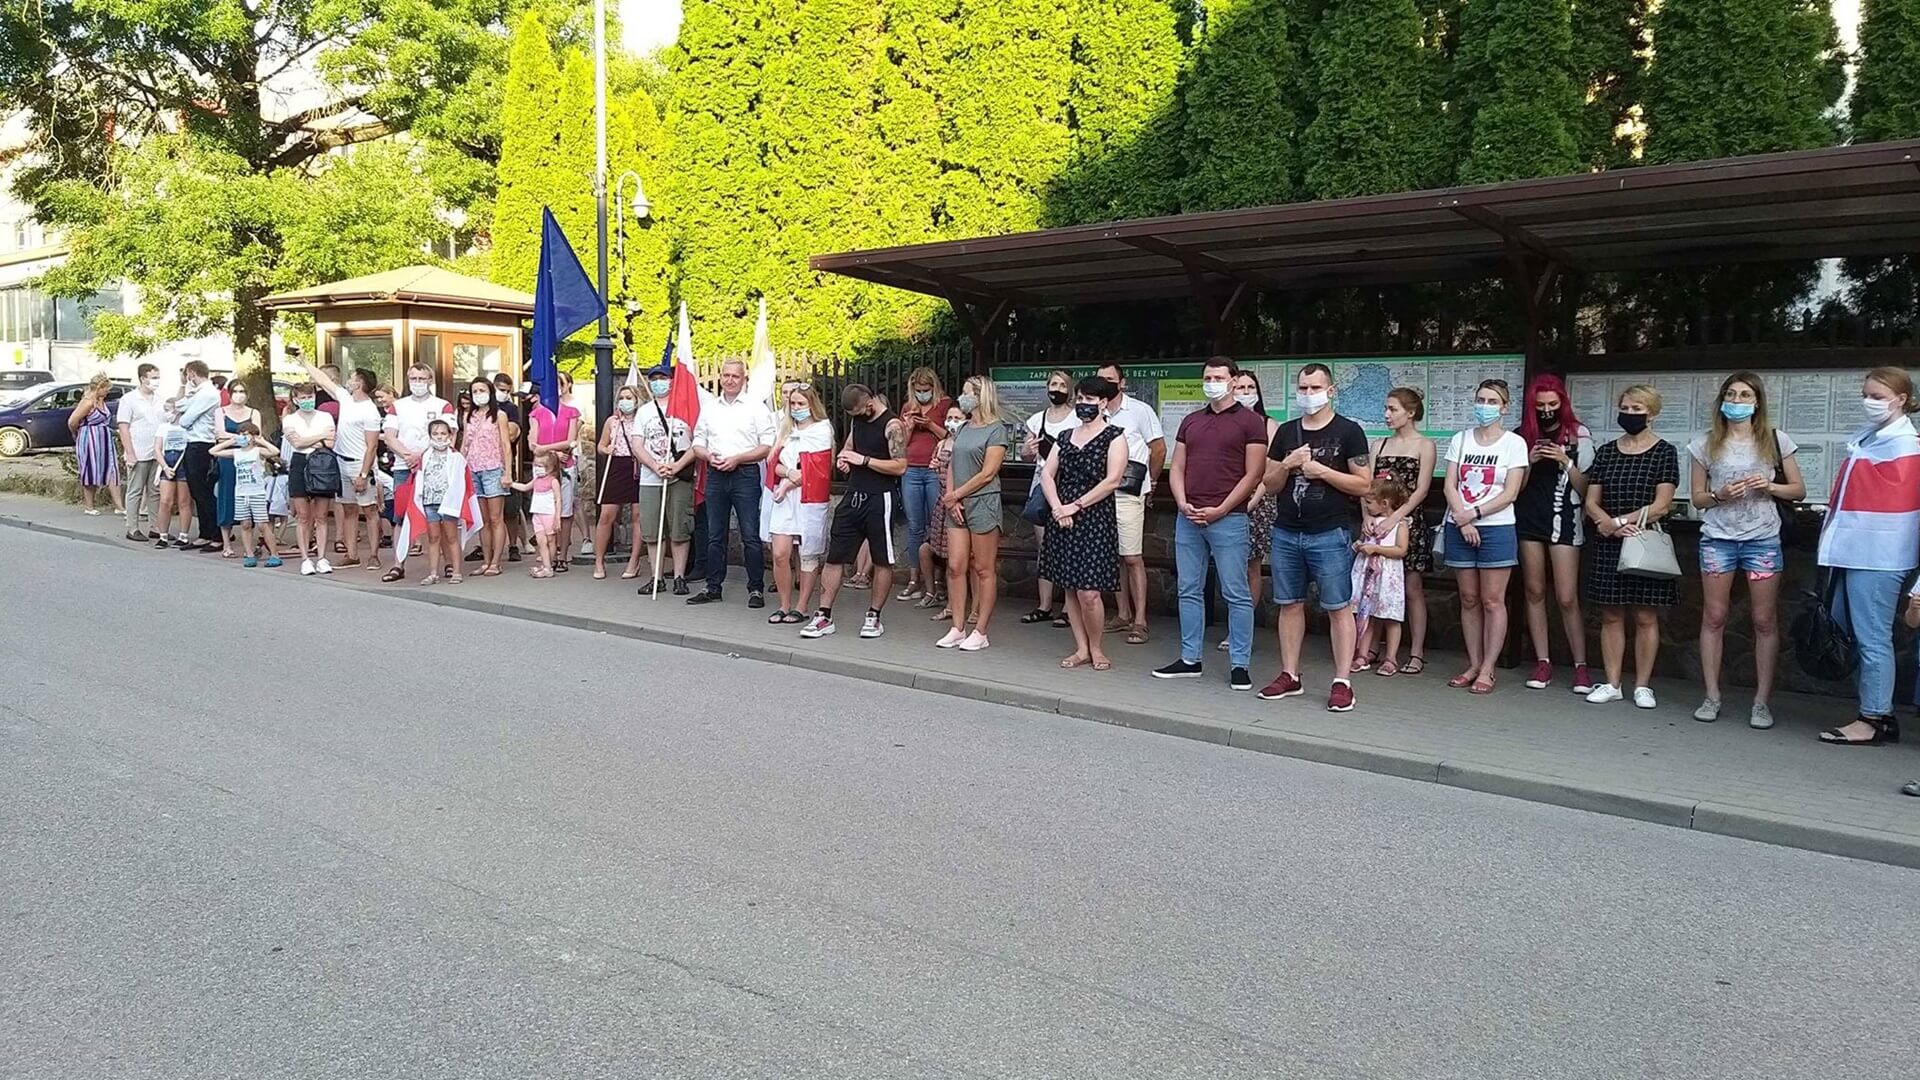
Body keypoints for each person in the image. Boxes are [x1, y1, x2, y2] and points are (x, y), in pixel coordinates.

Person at [1689, 371, 1804, 728]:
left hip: (1762, 539)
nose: (1736, 401)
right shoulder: (1704, 444)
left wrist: (1769, 486)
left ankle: (1761, 702)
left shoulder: (1775, 440)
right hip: (1718, 539)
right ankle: (1711, 695)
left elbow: (1798, 490)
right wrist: (1720, 494)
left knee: (1764, 620)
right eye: (1731, 394)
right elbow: (1697, 498)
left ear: (1757, 403)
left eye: (1744, 395)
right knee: (1714, 616)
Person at [1814, 367, 1920, 746]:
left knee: (1872, 637)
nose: (1869, 402)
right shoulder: (1869, 438)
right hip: (1856, 551)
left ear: (1901, 400)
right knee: (1855, 633)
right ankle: (1878, 712)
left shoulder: (1908, 445)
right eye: (1866, 395)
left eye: (1877, 397)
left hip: (1880, 555)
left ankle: (1873, 718)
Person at [1258, 363, 1372, 711]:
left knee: (1338, 607)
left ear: (1331, 391)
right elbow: (1269, 484)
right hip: (1287, 531)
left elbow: (1363, 484)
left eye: (1315, 388)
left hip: (1329, 532)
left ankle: (1343, 681)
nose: (1309, 394)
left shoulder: (1349, 431)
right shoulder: (1286, 432)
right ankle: (1290, 674)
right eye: (1303, 388)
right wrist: (1287, 464)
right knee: (1289, 604)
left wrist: (1322, 471)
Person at [1154, 358, 1267, 690]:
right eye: (1207, 377)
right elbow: (1177, 466)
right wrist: (1181, 501)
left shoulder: (1250, 421)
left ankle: (1240, 664)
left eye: (1218, 377)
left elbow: (1254, 474)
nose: (1212, 383)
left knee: (1236, 592)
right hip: (1189, 516)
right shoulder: (1191, 420)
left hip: (1229, 518)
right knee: (1189, 589)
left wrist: (1223, 508)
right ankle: (1190, 658)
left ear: (1233, 381)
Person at [1581, 384, 1680, 708]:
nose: (1629, 414)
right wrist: (1607, 524)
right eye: (1625, 408)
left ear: (1652, 413)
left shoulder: (1664, 452)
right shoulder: (1607, 452)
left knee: (1645, 616)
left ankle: (1642, 685)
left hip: (1643, 540)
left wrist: (1620, 521)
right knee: (1611, 615)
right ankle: (1612, 682)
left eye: (1637, 409)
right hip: (1610, 541)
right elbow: (1591, 501)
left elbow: (1662, 504)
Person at [1441, 379, 1530, 695]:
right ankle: (1473, 663)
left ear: (1504, 408)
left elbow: (1510, 492)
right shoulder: (1461, 439)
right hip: (1460, 525)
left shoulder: (1514, 444)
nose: (1485, 406)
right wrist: (1462, 519)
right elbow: (1450, 485)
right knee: (1468, 598)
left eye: (1493, 401)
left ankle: (1489, 668)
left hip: (1497, 527)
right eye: (1481, 399)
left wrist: (1474, 514)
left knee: (1492, 599)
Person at [800, 384, 906, 640]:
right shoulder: (858, 421)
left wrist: (865, 461)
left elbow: (900, 466)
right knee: (835, 556)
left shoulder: (893, 425)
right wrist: (844, 459)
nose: (857, 418)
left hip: (880, 497)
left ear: (869, 403)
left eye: (859, 413)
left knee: (882, 559)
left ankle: (874, 616)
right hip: (853, 496)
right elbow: (848, 448)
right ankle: (824, 615)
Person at [1040, 376, 1129, 671]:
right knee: (1070, 587)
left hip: (1095, 518)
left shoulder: (1115, 437)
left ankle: (1097, 647)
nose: (1083, 404)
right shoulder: (1065, 437)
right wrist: (1058, 508)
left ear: (1103, 403)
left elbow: (1112, 480)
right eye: (1080, 399)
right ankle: (1081, 648)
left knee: (1089, 591)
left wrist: (1075, 506)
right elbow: (1047, 474)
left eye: (1089, 399)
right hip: (1063, 518)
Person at [1513, 374, 1595, 693]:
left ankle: (1581, 666)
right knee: (1534, 591)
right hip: (1529, 518)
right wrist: (1529, 461)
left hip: (1565, 518)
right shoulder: (1522, 436)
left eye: (1552, 404)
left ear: (1562, 402)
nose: (1547, 410)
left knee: (1566, 596)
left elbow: (1587, 488)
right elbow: (1514, 489)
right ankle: (1543, 661)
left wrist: (1565, 461)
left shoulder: (1578, 434)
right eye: (1540, 405)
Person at [691, 358, 777, 606]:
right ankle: (713, 587)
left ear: (744, 379)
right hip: (716, 474)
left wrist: (738, 458)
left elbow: (767, 445)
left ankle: (756, 589)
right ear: (720, 377)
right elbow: (698, 442)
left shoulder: (756, 407)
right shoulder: (710, 408)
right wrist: (708, 456)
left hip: (745, 475)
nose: (730, 380)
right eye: (726, 375)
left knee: (750, 535)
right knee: (715, 534)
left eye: (735, 376)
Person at [936, 375, 1012, 651]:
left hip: (983, 503)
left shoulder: (996, 430)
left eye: (967, 392)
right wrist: (951, 498)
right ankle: (957, 627)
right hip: (957, 504)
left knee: (983, 568)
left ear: (981, 396)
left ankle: (981, 630)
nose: (962, 397)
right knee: (956, 566)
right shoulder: (964, 427)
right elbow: (954, 463)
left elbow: (988, 473)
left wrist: (957, 494)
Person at [1096, 362, 1165, 645]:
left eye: (1110, 379)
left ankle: (1140, 620)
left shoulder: (1139, 410)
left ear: (1122, 382)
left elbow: (1158, 448)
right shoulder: (1093, 412)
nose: (1104, 383)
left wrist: (1151, 481)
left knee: (1132, 556)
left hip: (1128, 491)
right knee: (1113, 556)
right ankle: (1122, 613)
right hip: (1100, 493)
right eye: (1100, 379)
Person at [1368, 387, 1433, 673]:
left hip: (1408, 523)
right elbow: (1368, 486)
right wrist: (1368, 517)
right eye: (1386, 408)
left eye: (1393, 409)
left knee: (1412, 587)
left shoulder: (1424, 445)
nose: (1387, 414)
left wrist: (1395, 518)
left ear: (1411, 412)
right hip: (1378, 524)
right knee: (1377, 583)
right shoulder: (1379, 445)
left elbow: (1421, 490)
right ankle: (1373, 646)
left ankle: (1416, 651)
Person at [297, 360, 383, 570]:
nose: (348, 380)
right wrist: (304, 362)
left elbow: (372, 446)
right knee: (348, 509)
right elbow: (324, 380)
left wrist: (364, 474)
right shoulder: (346, 398)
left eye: (352, 378)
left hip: (359, 464)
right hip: (342, 461)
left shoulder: (370, 411)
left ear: (359, 383)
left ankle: (374, 555)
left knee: (369, 510)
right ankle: (352, 554)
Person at [763, 383, 835, 622]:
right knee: (780, 553)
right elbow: (773, 464)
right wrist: (787, 474)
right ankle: (784, 605)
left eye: (801, 403)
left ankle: (801, 606)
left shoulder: (822, 430)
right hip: (784, 499)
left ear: (811, 404)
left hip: (809, 497)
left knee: (808, 554)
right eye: (792, 403)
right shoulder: (785, 429)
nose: (796, 408)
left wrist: (788, 483)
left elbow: (816, 470)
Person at [380, 363, 453, 581]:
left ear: (430, 380)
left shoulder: (443, 405)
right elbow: (389, 436)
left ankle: (448, 563)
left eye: (422, 379)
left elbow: (450, 434)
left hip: (435, 467)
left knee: (440, 516)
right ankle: (398, 565)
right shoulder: (397, 406)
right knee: (401, 517)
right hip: (404, 468)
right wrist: (408, 456)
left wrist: (421, 456)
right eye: (414, 379)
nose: (418, 383)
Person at [1018, 369, 1077, 626]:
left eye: (1062, 385)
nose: (1057, 389)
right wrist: (1027, 450)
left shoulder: (1077, 417)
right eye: (1053, 384)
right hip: (1041, 486)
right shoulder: (1037, 419)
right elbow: (1025, 454)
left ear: (1069, 389)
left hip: (1068, 487)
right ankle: (1044, 605)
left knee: (1068, 548)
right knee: (1045, 548)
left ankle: (1069, 607)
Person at [634, 364, 697, 595]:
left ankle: (679, 576)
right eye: (654, 379)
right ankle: (656, 577)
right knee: (653, 530)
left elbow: (698, 442)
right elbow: (637, 444)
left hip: (679, 476)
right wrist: (654, 465)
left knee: (680, 528)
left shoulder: (686, 408)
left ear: (672, 381)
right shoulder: (644, 412)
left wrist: (677, 465)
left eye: (663, 378)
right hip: (651, 477)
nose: (658, 382)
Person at [898, 367, 954, 604]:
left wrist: (930, 424)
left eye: (926, 389)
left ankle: (938, 582)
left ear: (934, 387)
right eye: (918, 390)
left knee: (937, 526)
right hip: (911, 468)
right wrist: (910, 427)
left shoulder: (944, 405)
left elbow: (951, 437)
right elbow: (900, 444)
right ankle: (914, 579)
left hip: (934, 470)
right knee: (915, 526)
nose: (922, 393)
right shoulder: (908, 407)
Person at [1350, 478, 1413, 676]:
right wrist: (1359, 545)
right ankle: (1362, 654)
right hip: (1367, 573)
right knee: (1366, 612)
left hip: (1388, 576)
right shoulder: (1369, 522)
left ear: (1384, 503)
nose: (1366, 506)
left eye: (1369, 502)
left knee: (1390, 616)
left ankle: (1390, 658)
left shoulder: (1400, 524)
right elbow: (1364, 540)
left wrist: (1376, 549)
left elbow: (1401, 550)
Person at [457, 375, 514, 577]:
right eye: (475, 391)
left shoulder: (499, 415)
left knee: (496, 517)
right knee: (483, 520)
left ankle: (496, 562)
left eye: (482, 390)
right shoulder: (469, 416)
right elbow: (465, 444)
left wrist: (508, 472)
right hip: (473, 469)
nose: (478, 394)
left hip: (493, 468)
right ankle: (486, 560)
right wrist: (459, 468)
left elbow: (506, 445)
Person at [528, 371, 584, 573]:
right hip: (543, 467)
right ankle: (547, 553)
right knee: (544, 509)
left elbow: (570, 440)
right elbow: (533, 443)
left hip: (565, 465)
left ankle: (563, 555)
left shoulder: (571, 412)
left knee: (565, 511)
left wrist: (549, 449)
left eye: (559, 384)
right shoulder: (536, 413)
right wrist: (551, 452)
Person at [591, 383, 647, 580]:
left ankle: (634, 561)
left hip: (638, 466)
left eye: (629, 398)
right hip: (616, 466)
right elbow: (600, 445)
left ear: (637, 400)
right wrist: (606, 449)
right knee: (606, 515)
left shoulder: (643, 420)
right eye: (622, 398)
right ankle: (599, 561)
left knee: (638, 516)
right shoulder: (612, 421)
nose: (625, 401)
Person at [281, 381, 337, 576]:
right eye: (303, 397)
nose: (307, 400)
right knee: (303, 515)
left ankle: (322, 557)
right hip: (300, 462)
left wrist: (311, 440)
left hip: (322, 463)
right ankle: (305, 558)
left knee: (321, 515)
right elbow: (297, 443)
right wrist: (320, 436)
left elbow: (330, 442)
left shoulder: (325, 416)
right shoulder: (290, 419)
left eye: (310, 396)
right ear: (295, 399)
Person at [210, 421, 279, 566]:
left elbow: (274, 451)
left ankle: (274, 554)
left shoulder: (258, 451)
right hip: (241, 493)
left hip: (257, 492)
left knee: (262, 525)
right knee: (245, 524)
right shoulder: (236, 453)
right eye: (240, 434)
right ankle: (249, 554)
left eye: (246, 434)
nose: (243, 437)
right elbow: (213, 451)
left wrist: (261, 441)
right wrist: (230, 441)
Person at [412, 417, 468, 585]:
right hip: (430, 501)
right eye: (435, 433)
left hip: (448, 502)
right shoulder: (425, 455)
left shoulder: (455, 457)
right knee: (433, 537)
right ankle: (433, 573)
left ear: (450, 435)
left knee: (451, 537)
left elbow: (460, 481)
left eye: (443, 433)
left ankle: (456, 571)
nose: (439, 437)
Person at [212, 376, 263, 557]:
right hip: (227, 458)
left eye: (242, 392)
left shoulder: (254, 412)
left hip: (249, 458)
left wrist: (233, 437)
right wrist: (241, 438)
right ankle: (226, 544)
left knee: (250, 496)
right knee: (226, 496)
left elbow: (257, 434)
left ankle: (250, 543)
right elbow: (219, 433)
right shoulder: (221, 411)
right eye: (235, 391)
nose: (239, 395)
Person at [176, 361, 223, 550]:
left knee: (204, 492)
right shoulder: (198, 392)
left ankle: (216, 535)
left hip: (202, 444)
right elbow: (178, 405)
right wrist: (184, 389)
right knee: (197, 492)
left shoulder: (208, 393)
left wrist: (184, 411)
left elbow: (185, 420)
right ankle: (205, 533)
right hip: (193, 444)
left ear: (192, 373)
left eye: (188, 375)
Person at [117, 363, 164, 541]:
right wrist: (129, 452)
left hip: (156, 451)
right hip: (138, 451)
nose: (157, 381)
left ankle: (156, 526)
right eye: (154, 378)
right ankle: (132, 527)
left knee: (154, 491)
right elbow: (123, 427)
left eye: (158, 377)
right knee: (135, 490)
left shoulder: (159, 399)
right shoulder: (129, 399)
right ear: (143, 378)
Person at [68, 373, 123, 517]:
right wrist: (77, 433)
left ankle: (119, 506)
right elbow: (72, 421)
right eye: (106, 389)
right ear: (99, 388)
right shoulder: (87, 402)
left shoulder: (101, 400)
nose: (107, 392)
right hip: (89, 438)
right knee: (90, 469)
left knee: (112, 469)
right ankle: (89, 506)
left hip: (104, 438)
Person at [510, 450, 565, 578]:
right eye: (536, 465)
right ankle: (546, 566)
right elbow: (525, 487)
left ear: (550, 468)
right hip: (537, 514)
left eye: (540, 466)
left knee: (551, 541)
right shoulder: (536, 480)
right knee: (541, 541)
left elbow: (558, 500)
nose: (537, 468)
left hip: (549, 514)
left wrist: (557, 517)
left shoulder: (553, 481)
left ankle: (549, 565)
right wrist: (511, 484)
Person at [492, 372, 528, 563]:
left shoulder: (511, 409)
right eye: (501, 389)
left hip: (505, 463)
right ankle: (486, 548)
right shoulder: (481, 408)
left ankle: (513, 545)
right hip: (483, 464)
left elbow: (512, 434)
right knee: (487, 512)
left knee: (510, 509)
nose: (504, 394)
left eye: (507, 391)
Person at [151, 400, 195, 549]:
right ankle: (162, 535)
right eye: (166, 410)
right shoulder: (163, 427)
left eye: (170, 410)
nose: (167, 413)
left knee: (184, 501)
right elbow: (157, 449)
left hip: (183, 463)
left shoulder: (188, 427)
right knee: (165, 501)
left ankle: (183, 536)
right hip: (168, 462)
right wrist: (164, 467)